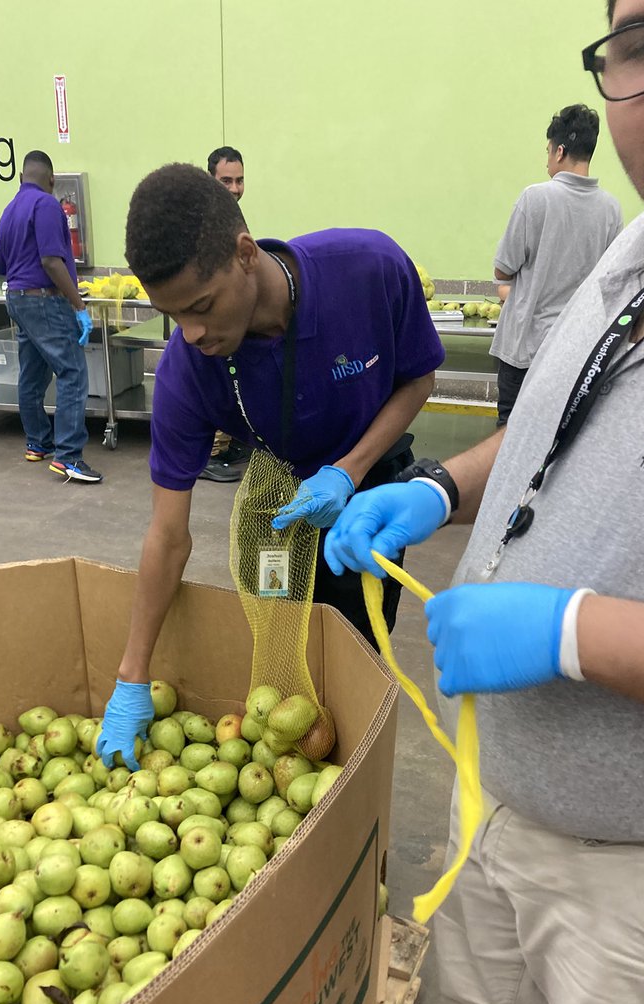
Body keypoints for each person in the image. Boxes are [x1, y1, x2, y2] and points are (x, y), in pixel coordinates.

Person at [324, 2, 644, 1004]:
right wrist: (438, 490)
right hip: (502, 793)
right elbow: (550, 439)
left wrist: (571, 630)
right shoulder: (637, 255)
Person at [96, 162, 444, 769]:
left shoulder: (368, 270)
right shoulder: (187, 371)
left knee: (354, 659)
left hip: (369, 496)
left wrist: (349, 470)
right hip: (280, 505)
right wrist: (132, 675)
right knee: (284, 666)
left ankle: (352, 788)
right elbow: (168, 536)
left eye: (202, 306)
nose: (192, 333)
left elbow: (418, 379)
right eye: (173, 316)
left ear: (245, 253)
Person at [490, 104, 623, 426]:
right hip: (575, 351)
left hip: (525, 348)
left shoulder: (535, 198)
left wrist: (517, 288)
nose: (547, 160)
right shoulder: (611, 209)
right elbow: (610, 281)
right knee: (558, 433)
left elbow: (503, 270)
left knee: (510, 433)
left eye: (548, 152)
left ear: (559, 151)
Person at [0, 150, 102, 483]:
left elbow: (0, 264)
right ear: (52, 180)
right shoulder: (47, 206)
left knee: (32, 373)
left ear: (21, 177)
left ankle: (37, 442)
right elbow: (51, 261)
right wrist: (79, 305)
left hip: (17, 299)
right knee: (72, 372)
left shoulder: (10, 209)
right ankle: (68, 456)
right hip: (43, 300)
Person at [203, 145, 249, 482]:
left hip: (231, 315)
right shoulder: (205, 217)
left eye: (239, 180)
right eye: (226, 181)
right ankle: (206, 455)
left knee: (232, 382)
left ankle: (224, 446)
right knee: (214, 386)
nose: (234, 188)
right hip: (212, 317)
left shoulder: (230, 214)